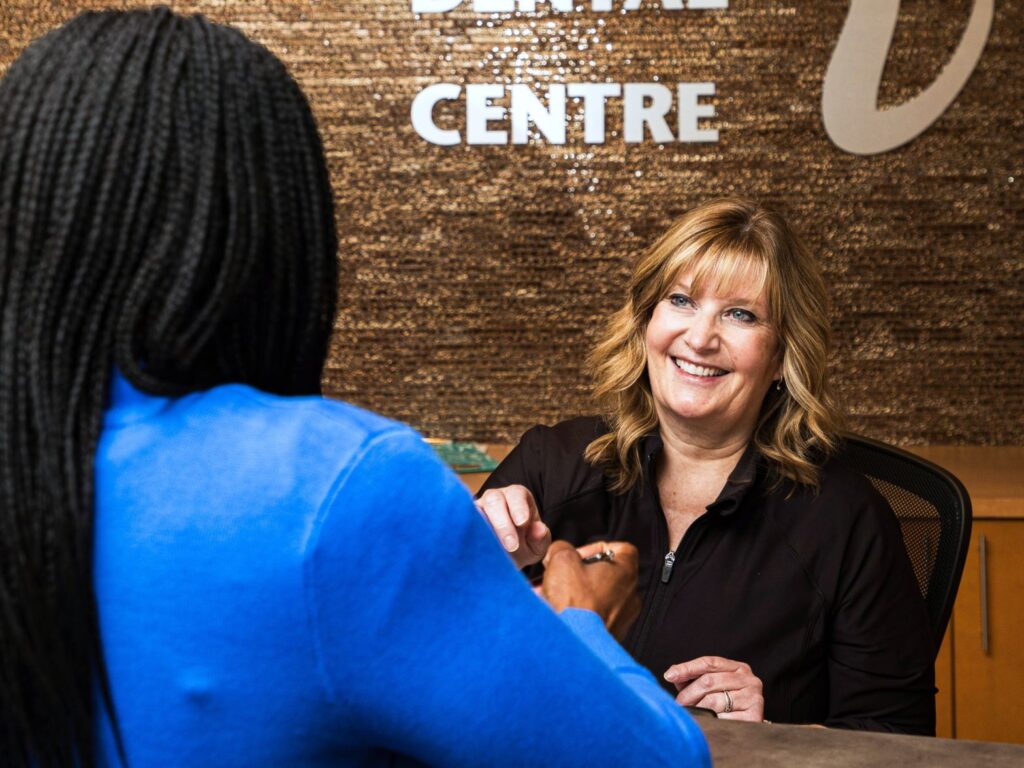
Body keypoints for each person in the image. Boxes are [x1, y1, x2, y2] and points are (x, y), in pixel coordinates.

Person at [0, 9, 711, 767]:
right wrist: (582, 625)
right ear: (273, 235)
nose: (701, 337)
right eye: (682, 303)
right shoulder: (333, 485)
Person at [478, 198, 936, 734]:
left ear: (783, 355)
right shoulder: (550, 464)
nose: (700, 338)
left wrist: (773, 737)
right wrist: (473, 566)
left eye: (741, 314)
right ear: (646, 321)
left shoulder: (846, 519)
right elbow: (423, 670)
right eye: (681, 301)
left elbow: (898, 739)